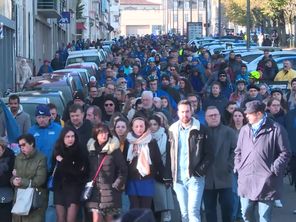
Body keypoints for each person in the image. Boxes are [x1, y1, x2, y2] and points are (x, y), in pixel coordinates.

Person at [234, 100, 291, 222]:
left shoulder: (276, 129)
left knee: (264, 218)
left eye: (249, 113)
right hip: (246, 180)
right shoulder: (244, 129)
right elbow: (238, 151)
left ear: (259, 114)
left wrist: (273, 169)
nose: (246, 116)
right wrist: (239, 167)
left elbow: (285, 153)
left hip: (267, 182)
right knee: (245, 215)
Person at [169, 100, 214, 222]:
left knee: (193, 211)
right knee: (184, 213)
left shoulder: (201, 129)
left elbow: (209, 154)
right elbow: (169, 154)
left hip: (195, 177)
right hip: (178, 178)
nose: (185, 114)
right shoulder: (172, 129)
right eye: (182, 112)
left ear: (192, 111)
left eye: (187, 111)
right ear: (178, 113)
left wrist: (199, 172)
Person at [86, 123, 127, 222]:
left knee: (109, 220)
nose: (104, 135)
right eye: (101, 133)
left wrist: (116, 185)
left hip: (110, 192)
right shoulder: (91, 151)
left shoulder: (114, 150)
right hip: (94, 192)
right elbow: (88, 170)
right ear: (96, 135)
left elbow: (123, 169)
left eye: (105, 132)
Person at [203, 106, 237, 222]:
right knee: (209, 210)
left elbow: (236, 151)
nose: (214, 117)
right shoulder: (201, 131)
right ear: (205, 118)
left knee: (228, 208)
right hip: (207, 178)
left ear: (220, 116)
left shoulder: (229, 131)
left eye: (216, 115)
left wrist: (229, 165)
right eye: (210, 116)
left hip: (225, 176)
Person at [126, 116, 164, 209]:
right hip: (132, 179)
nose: (139, 129)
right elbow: (124, 161)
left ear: (145, 127)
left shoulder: (151, 141)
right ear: (132, 127)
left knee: (145, 208)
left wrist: (164, 176)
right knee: (134, 208)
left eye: (141, 126)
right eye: (136, 126)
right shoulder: (128, 142)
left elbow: (157, 160)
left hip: (147, 179)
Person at [52, 127, 88, 222]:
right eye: (67, 137)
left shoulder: (80, 151)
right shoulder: (57, 150)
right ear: (62, 138)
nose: (70, 139)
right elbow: (54, 168)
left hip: (74, 188)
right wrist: (70, 164)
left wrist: (63, 161)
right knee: (60, 218)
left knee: (71, 219)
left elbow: (78, 171)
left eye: (72, 136)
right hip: (59, 188)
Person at [11, 134, 48, 222]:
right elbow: (14, 175)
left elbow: (40, 180)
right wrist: (13, 181)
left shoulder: (41, 158)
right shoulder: (18, 157)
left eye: (24, 145)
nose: (22, 148)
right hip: (19, 197)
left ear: (31, 143)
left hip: (34, 198)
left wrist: (22, 182)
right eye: (20, 146)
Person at [149, 115, 174, 222]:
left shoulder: (166, 137)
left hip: (163, 172)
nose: (152, 127)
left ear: (159, 125)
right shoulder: (145, 138)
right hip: (150, 173)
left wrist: (167, 174)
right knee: (152, 204)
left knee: (163, 202)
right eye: (150, 124)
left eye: (155, 124)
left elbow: (170, 156)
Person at [0, 139, 15, 222]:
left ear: (4, 149)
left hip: (6, 191)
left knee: (5, 216)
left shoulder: (10, 156)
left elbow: (10, 175)